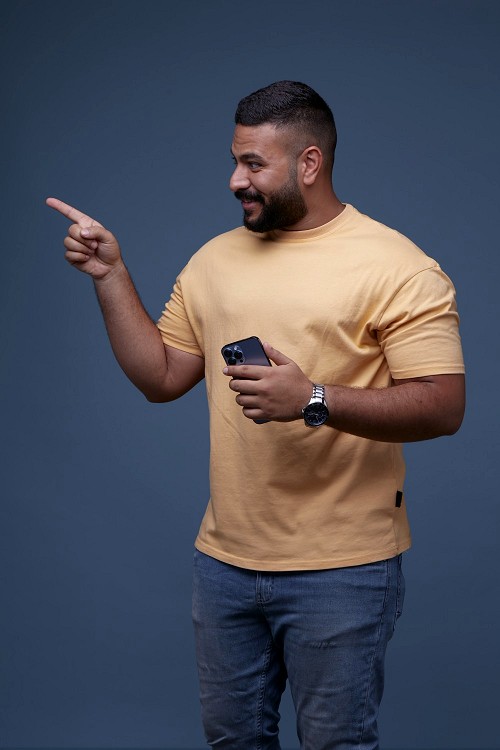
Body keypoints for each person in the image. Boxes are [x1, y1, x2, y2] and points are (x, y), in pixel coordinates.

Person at [47, 80, 465, 750]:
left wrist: (313, 400)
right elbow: (161, 378)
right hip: (225, 564)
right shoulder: (214, 260)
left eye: (253, 164)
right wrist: (111, 276)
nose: (235, 180)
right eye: (235, 161)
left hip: (344, 568)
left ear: (309, 163)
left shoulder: (398, 267)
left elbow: (444, 405)